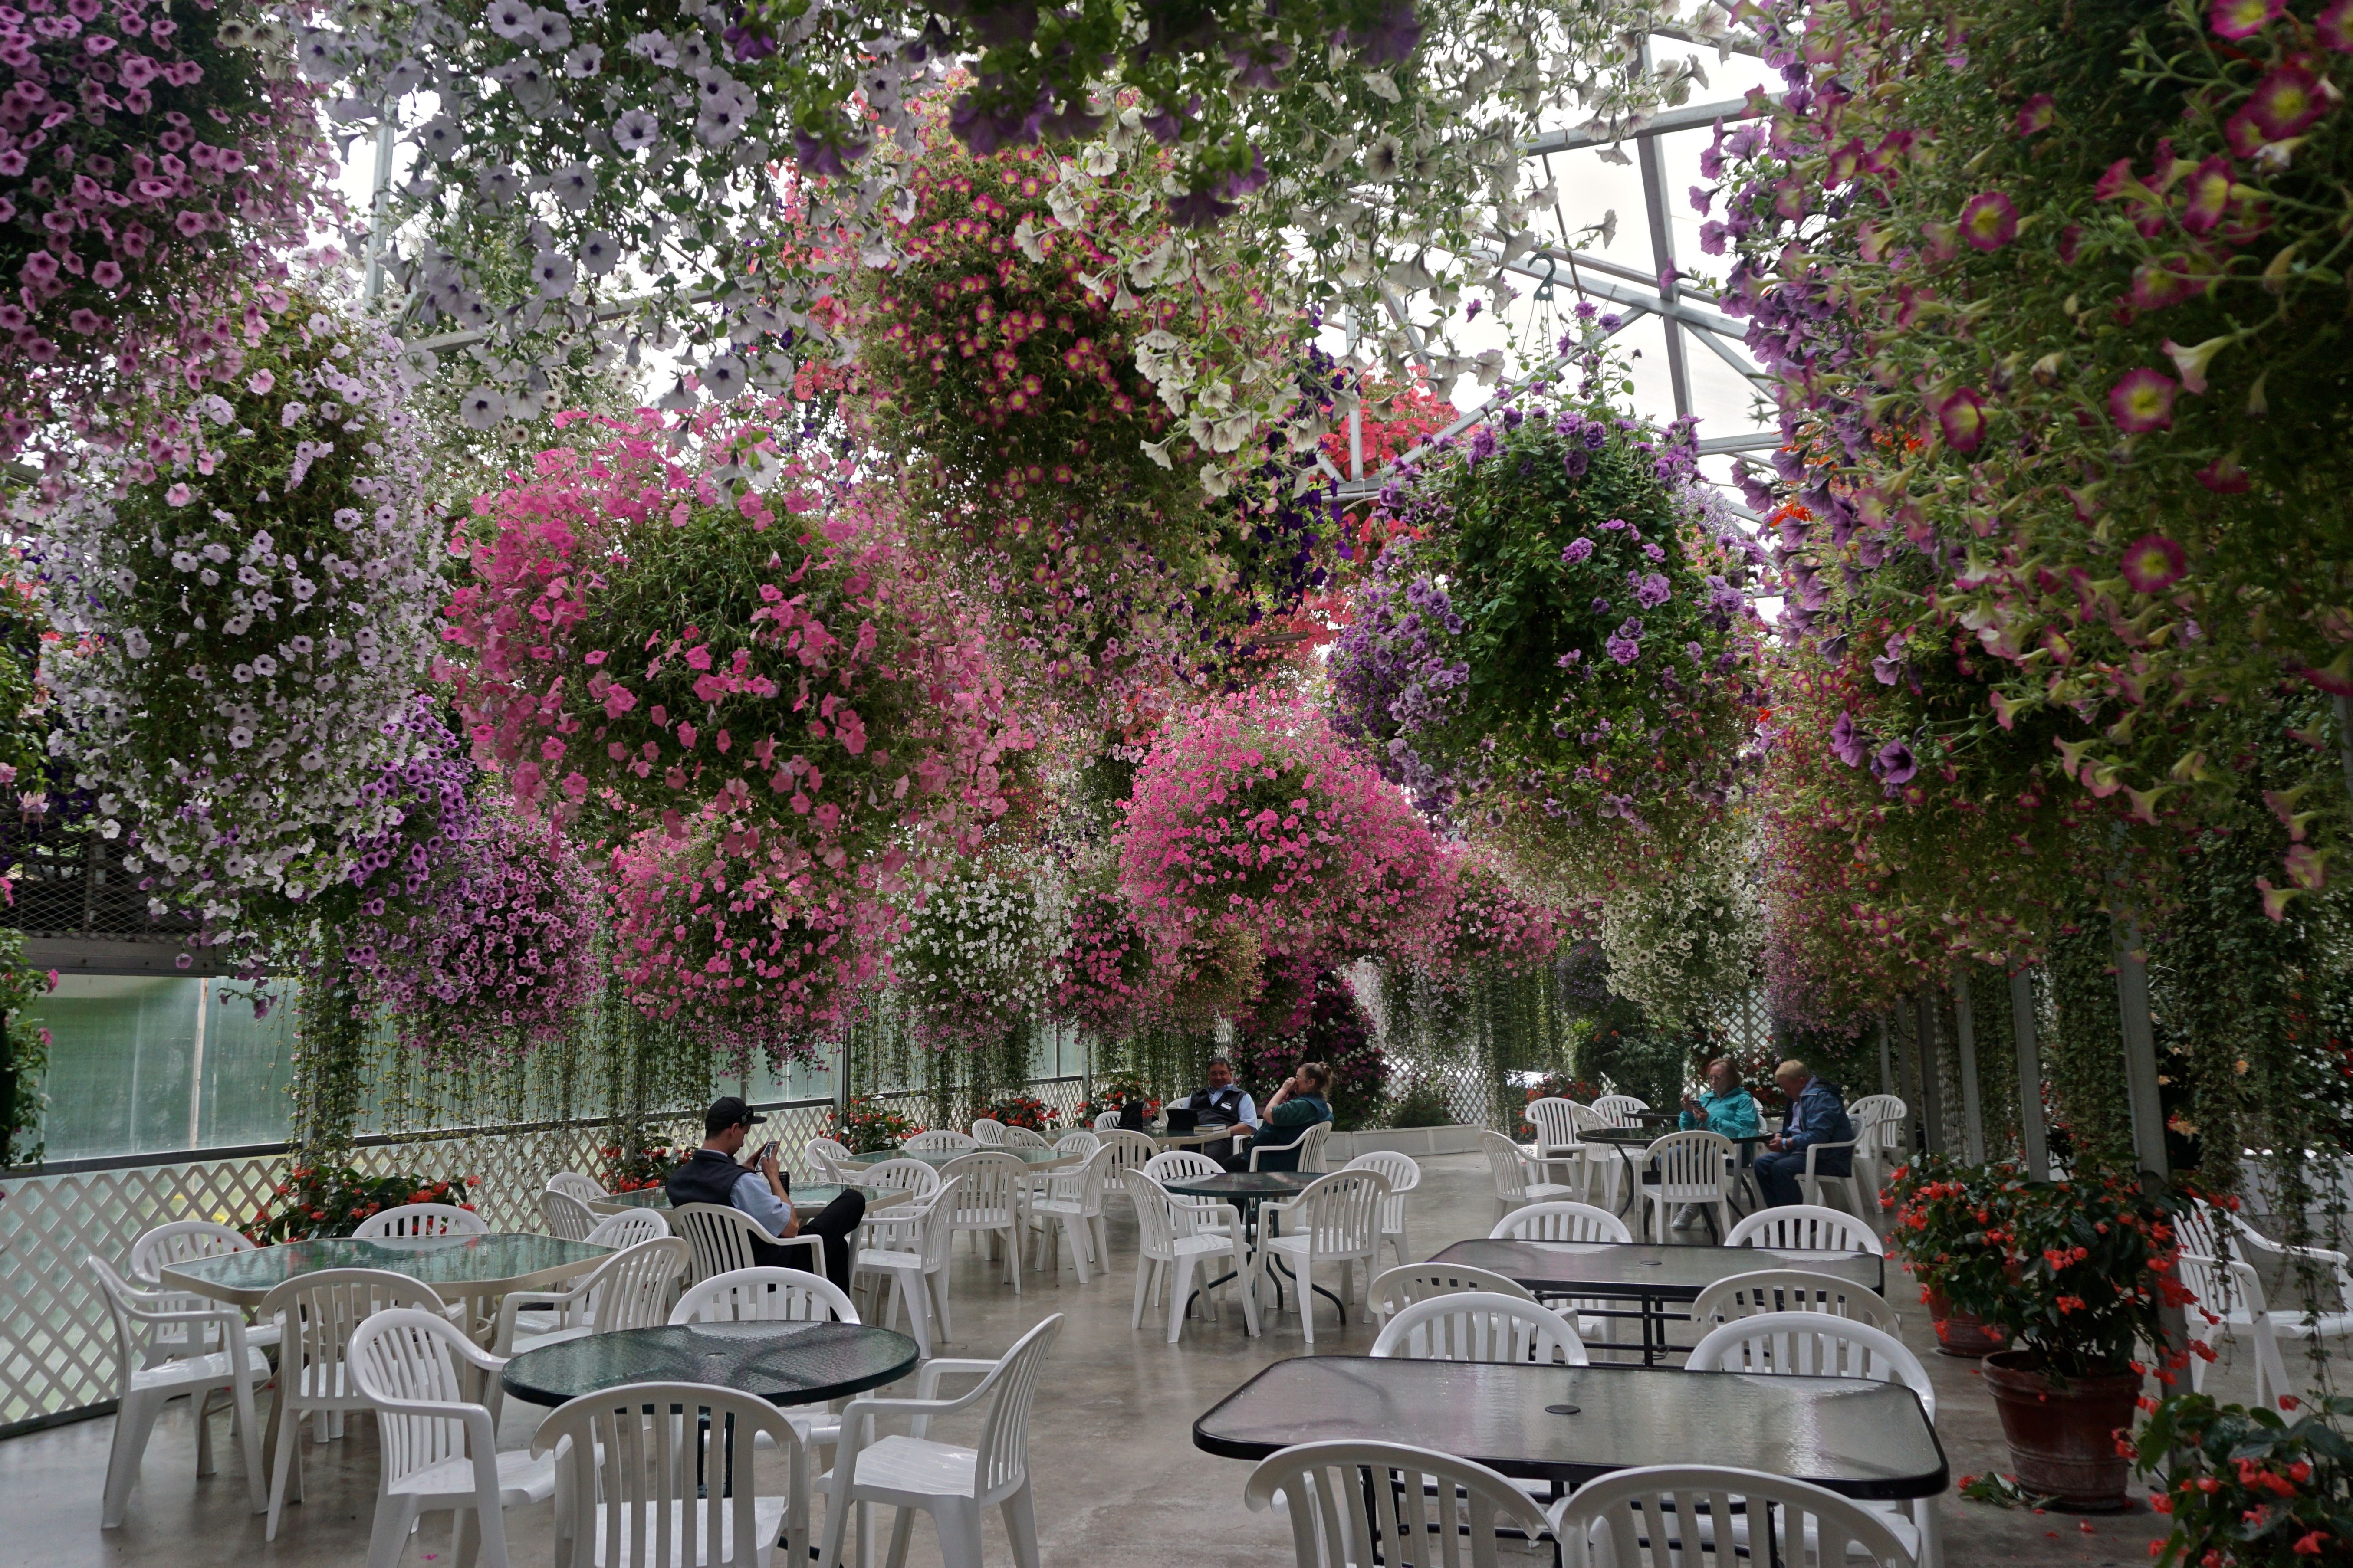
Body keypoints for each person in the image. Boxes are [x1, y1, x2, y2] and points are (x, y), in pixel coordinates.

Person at [666, 1096, 867, 1293]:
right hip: (766, 1274)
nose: (743, 1144)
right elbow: (791, 1229)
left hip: (714, 1277)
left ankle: (838, 1324)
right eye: (744, 1134)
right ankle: (840, 1324)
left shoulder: (678, 1181)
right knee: (853, 1200)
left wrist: (740, 1169)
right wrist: (773, 1178)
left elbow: (713, 1191)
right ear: (734, 1129)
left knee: (837, 1247)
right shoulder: (740, 1182)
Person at [1671, 1057, 1762, 1230]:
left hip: (1734, 1151)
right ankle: (1705, 1204)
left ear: (1731, 1078)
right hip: (1702, 1146)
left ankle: (1692, 1207)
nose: (1714, 1082)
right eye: (1711, 1078)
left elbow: (1746, 1130)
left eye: (1718, 1078)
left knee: (1701, 1160)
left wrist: (1711, 1120)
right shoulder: (1706, 1099)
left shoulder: (1743, 1099)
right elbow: (1687, 1130)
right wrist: (1688, 1113)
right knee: (1670, 1157)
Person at [1751, 1060, 1856, 1210]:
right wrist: (1781, 1136)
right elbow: (1795, 1128)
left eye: (1788, 1089)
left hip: (1829, 1157)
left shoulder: (1822, 1098)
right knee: (1761, 1164)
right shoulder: (1798, 1096)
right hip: (1805, 1152)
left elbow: (1819, 1136)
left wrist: (1786, 1143)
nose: (1786, 1093)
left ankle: (1797, 1221)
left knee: (1781, 1168)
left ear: (1801, 1081)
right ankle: (1781, 1219)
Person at [1239, 1061, 1333, 1172]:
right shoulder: (1323, 1106)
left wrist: (1284, 1090)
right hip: (1295, 1161)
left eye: (1298, 1077)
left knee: (1228, 1165)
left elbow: (1268, 1114)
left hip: (1275, 1162)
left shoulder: (1303, 1106)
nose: (1294, 1080)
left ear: (1311, 1082)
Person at [1180, 1056, 1259, 1170]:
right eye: (1214, 1074)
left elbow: (1249, 1126)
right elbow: (1180, 1119)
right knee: (1173, 1159)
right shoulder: (1196, 1096)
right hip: (1193, 1140)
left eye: (1223, 1073)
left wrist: (1221, 1132)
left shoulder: (1241, 1097)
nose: (1218, 1077)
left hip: (1220, 1142)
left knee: (1204, 1162)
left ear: (1230, 1075)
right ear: (1208, 1075)